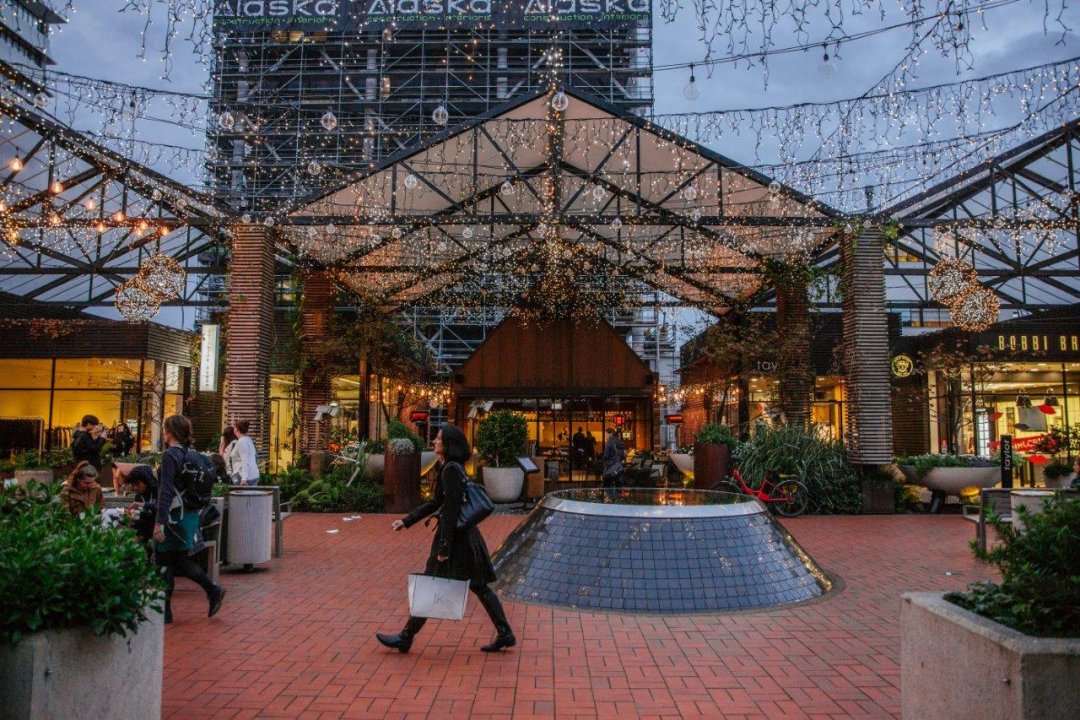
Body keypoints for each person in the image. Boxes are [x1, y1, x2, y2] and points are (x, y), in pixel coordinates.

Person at [376, 424, 516, 654]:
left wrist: (444, 547)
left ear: (448, 444)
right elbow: (436, 504)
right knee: (479, 586)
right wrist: (408, 520)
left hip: (455, 539)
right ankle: (505, 632)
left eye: (439, 439)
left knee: (433, 582)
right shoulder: (452, 467)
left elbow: (449, 510)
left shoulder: (450, 470)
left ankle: (406, 637)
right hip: (466, 537)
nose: (434, 442)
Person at [153, 414, 226, 624]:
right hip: (190, 515)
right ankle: (210, 591)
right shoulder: (194, 454)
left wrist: (160, 521)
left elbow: (165, 491)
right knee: (176, 560)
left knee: (166, 560)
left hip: (175, 516)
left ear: (170, 432)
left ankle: (167, 612)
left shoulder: (170, 456)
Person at [232, 420, 260, 485]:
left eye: (234, 427)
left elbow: (245, 460)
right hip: (253, 474)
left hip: (244, 476)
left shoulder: (242, 442)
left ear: (237, 429)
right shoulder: (248, 439)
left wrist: (244, 479)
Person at [601, 427, 625, 501]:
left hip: (610, 467)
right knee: (618, 485)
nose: (605, 435)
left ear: (610, 433)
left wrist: (603, 459)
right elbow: (622, 455)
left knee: (606, 485)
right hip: (618, 467)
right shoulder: (619, 441)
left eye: (606, 433)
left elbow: (606, 455)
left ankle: (606, 501)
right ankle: (618, 501)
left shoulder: (609, 442)